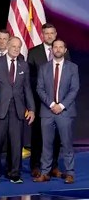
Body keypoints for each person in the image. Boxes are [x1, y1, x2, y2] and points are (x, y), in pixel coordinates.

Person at [0, 36, 35, 183]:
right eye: (13, 46)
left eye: (18, 47)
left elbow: (27, 88)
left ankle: (14, 173)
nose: (16, 49)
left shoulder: (24, 65)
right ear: (7, 46)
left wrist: (31, 109)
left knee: (16, 143)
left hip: (18, 110)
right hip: (0, 109)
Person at [34, 39, 78, 185]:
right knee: (46, 144)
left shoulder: (73, 68)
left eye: (61, 47)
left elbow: (74, 89)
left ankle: (70, 173)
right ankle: (45, 173)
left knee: (66, 144)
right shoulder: (43, 68)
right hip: (47, 111)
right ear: (52, 50)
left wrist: (62, 105)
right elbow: (39, 89)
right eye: (55, 47)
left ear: (65, 50)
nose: (58, 49)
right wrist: (52, 104)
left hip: (65, 112)